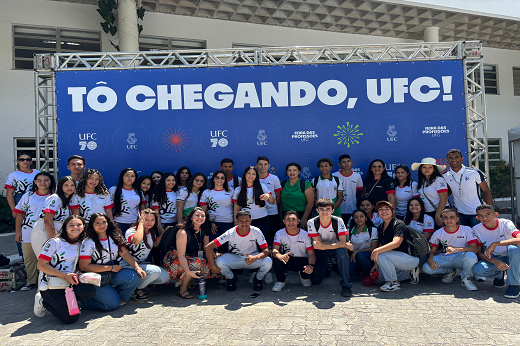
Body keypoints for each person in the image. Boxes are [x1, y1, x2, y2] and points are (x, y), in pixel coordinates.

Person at [35, 215, 96, 323]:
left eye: (79, 225)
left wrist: (78, 273)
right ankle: (43, 301)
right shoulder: (55, 242)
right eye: (71, 225)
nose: (75, 227)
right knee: (70, 318)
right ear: (65, 227)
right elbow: (41, 265)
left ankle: (70, 302)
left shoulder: (81, 243)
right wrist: (64, 275)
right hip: (51, 283)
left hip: (69, 282)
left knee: (89, 290)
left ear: (83, 227)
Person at [79, 213, 145, 310]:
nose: (101, 225)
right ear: (92, 225)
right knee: (112, 305)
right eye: (97, 223)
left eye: (104, 222)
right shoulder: (88, 242)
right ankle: (85, 302)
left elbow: (125, 253)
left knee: (135, 276)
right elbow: (84, 266)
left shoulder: (113, 235)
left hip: (111, 272)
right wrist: (111, 268)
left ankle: (118, 297)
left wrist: (137, 268)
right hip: (96, 275)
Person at [205, 210, 272, 292]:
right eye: (241, 221)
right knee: (219, 261)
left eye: (247, 221)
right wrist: (213, 267)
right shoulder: (230, 232)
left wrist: (256, 257)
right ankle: (231, 279)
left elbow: (266, 250)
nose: (244, 224)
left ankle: (258, 279)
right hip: (235, 258)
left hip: (251, 258)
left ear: (251, 221)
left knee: (268, 261)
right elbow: (209, 247)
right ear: (236, 221)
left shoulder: (256, 231)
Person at [162, 207, 220, 298]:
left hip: (192, 258)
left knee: (216, 264)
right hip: (175, 259)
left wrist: (215, 256)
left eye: (202, 216)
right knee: (197, 263)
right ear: (191, 217)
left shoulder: (203, 230)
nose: (200, 217)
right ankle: (183, 289)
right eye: (197, 215)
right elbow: (181, 255)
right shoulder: (183, 232)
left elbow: (206, 248)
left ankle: (189, 280)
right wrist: (188, 272)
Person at [14, 172, 55, 291]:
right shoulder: (28, 195)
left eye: (46, 180)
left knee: (48, 256)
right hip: (28, 230)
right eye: (39, 180)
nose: (43, 183)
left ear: (51, 181)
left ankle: (48, 280)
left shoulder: (55, 196)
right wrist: (18, 232)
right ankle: (31, 281)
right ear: (35, 182)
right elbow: (20, 214)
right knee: (29, 257)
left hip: (46, 230)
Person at [422, 208, 479, 290]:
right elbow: (432, 250)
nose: (449, 220)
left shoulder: (467, 229)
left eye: (452, 217)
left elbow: (474, 249)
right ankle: (451, 271)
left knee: (471, 256)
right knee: (426, 268)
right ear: (442, 219)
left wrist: (456, 249)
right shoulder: (438, 232)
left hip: (461, 257)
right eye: (445, 217)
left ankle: (466, 278)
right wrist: (430, 259)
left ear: (457, 219)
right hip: (445, 256)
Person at [307, 198, 353, 297]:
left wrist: (341, 244)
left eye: (328, 209)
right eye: (322, 209)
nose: (324, 211)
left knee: (342, 253)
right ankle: (326, 268)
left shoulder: (338, 220)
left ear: (333, 210)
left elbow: (340, 243)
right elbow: (319, 244)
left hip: (333, 250)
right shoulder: (312, 222)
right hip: (320, 251)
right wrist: (343, 244)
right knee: (316, 280)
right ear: (317, 210)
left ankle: (346, 286)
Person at [472, 204, 520, 299]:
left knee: (513, 248)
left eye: (488, 214)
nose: (484, 218)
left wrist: (495, 243)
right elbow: (478, 253)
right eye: (481, 216)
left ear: (496, 214)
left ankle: (514, 285)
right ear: (477, 218)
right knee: (478, 269)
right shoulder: (476, 229)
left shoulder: (506, 223)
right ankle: (499, 275)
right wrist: (494, 261)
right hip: (497, 258)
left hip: (514, 257)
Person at [371, 201, 420, 292]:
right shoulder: (381, 226)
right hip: (396, 259)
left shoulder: (399, 224)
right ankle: (408, 273)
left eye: (387, 209)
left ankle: (394, 282)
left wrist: (376, 251)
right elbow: (381, 245)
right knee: (379, 280)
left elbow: (396, 243)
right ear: (377, 213)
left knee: (382, 254)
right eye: (381, 209)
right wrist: (376, 264)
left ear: (392, 211)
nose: (384, 211)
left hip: (410, 258)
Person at [123, 209, 170, 300]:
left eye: (152, 220)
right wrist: (140, 224)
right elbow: (137, 241)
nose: (149, 222)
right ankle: (136, 289)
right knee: (155, 271)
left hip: (141, 263)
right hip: (127, 264)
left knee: (165, 277)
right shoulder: (131, 231)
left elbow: (155, 244)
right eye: (146, 220)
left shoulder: (151, 232)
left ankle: (136, 285)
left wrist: (164, 232)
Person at [443, 149, 493, 227]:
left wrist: (489, 211)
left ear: (462, 159)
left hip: (476, 213)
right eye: (450, 158)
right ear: (447, 160)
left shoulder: (474, 173)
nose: (454, 159)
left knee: (479, 237)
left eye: (457, 157)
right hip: (459, 214)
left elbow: (486, 190)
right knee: (463, 237)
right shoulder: (445, 176)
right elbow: (449, 192)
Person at [5, 151, 41, 257]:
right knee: (20, 227)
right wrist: (14, 209)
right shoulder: (13, 175)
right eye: (22, 159)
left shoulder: (37, 173)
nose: (25, 161)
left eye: (27, 159)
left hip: (35, 200)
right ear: (18, 162)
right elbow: (9, 194)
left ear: (31, 161)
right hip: (19, 198)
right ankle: (23, 255)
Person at [31, 176, 75, 256]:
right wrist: (53, 239)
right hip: (45, 231)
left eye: (72, 185)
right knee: (46, 261)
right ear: (60, 186)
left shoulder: (68, 200)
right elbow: (47, 220)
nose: (70, 187)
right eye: (66, 185)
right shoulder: (55, 198)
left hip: (59, 230)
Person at [271, 211, 316, 291]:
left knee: (317, 273)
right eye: (288, 219)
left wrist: (311, 265)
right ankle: (280, 281)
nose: (291, 222)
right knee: (277, 260)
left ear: (298, 221)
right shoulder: (279, 233)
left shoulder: (305, 234)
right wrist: (280, 256)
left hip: (302, 259)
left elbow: (311, 254)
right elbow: (275, 250)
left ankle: (304, 276)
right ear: (284, 221)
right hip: (286, 259)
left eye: (293, 219)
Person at [233, 166, 275, 243]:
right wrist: (236, 223)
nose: (251, 176)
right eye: (249, 173)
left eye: (253, 174)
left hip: (262, 219)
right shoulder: (238, 190)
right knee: (248, 243)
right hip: (245, 221)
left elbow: (272, 202)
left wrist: (269, 196)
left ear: (256, 176)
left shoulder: (262, 187)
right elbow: (236, 208)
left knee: (264, 243)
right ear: (245, 175)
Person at [412, 157, 448, 229]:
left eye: (430, 167)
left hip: (440, 212)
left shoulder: (439, 179)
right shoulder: (422, 182)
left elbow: (444, 198)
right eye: (424, 167)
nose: (427, 169)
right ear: (421, 169)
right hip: (428, 213)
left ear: (434, 169)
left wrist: (438, 215)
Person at [199, 170, 234, 244]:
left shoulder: (231, 192)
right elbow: (203, 211)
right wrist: (210, 222)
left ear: (225, 179)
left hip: (227, 223)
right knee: (212, 249)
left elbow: (236, 208)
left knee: (225, 249)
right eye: (217, 177)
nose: (219, 179)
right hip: (212, 224)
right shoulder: (206, 192)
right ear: (213, 179)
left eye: (222, 178)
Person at [278, 163, 314, 230]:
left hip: (301, 215)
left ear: (299, 172)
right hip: (286, 216)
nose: (292, 172)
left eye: (294, 170)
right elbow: (280, 203)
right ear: (287, 172)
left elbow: (310, 202)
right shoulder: (282, 184)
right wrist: (281, 218)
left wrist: (304, 218)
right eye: (289, 170)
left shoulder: (306, 184)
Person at [109, 168, 146, 235]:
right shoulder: (113, 190)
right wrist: (112, 223)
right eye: (127, 175)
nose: (129, 178)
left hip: (135, 224)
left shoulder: (139, 191)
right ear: (122, 177)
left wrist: (139, 222)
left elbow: (142, 208)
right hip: (118, 224)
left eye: (132, 176)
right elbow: (109, 209)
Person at [256, 156, 282, 245]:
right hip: (258, 212)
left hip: (272, 212)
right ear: (256, 165)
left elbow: (278, 197)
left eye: (265, 164)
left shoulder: (274, 178)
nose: (263, 166)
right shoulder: (253, 178)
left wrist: (272, 204)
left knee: (273, 235)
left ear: (269, 166)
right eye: (260, 164)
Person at [332, 154, 363, 225]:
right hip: (337, 210)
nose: (346, 164)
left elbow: (358, 192)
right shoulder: (334, 176)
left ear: (351, 163)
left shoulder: (357, 176)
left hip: (352, 209)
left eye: (348, 161)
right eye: (343, 162)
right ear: (339, 164)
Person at [348, 209, 378, 278]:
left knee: (361, 255)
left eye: (361, 216)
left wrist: (357, 251)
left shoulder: (373, 230)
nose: (359, 219)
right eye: (356, 217)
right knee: (349, 270)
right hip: (354, 258)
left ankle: (369, 275)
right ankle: (360, 271)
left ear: (366, 218)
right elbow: (345, 245)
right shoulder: (349, 231)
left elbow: (374, 248)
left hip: (368, 257)